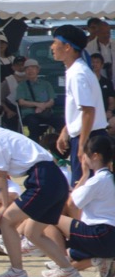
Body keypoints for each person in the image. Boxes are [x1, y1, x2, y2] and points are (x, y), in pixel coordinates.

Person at [0, 100, 71, 277]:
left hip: (43, 180)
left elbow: (0, 177)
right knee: (32, 232)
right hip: (53, 180)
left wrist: (6, 208)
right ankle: (67, 269)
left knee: (6, 222)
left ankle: (17, 271)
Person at [43, 134, 115, 277]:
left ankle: (63, 265)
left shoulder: (98, 180)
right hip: (109, 236)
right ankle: (94, 261)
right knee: (75, 253)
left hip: (101, 233)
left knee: (49, 217)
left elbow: (72, 203)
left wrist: (84, 175)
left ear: (95, 156)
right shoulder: (109, 177)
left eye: (85, 155)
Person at [53, 23, 110, 185]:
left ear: (67, 47)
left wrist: (82, 145)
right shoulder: (76, 70)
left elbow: (88, 111)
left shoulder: (78, 73)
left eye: (55, 42)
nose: (52, 47)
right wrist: (66, 130)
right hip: (87, 135)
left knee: (83, 190)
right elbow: (80, 110)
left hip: (90, 137)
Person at [16, 58, 61, 140]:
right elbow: (21, 102)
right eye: (27, 68)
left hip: (45, 113)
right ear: (25, 71)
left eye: (33, 68)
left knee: (60, 121)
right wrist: (37, 104)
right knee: (33, 123)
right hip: (30, 114)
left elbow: (51, 101)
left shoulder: (46, 84)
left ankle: (57, 144)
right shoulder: (22, 86)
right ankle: (35, 145)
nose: (30, 70)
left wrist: (43, 107)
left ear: (38, 70)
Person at [87, 17, 114, 86]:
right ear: (97, 33)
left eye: (108, 32)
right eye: (103, 33)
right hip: (98, 83)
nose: (106, 35)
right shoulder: (89, 47)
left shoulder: (113, 44)